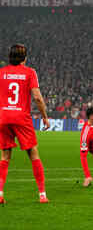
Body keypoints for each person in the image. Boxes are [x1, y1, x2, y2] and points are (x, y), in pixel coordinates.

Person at [0, 44, 50, 204]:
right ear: (25, 58)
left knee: (5, 156)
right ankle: (42, 195)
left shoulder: (1, 73)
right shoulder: (29, 72)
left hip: (3, 117)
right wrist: (44, 117)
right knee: (33, 154)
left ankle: (0, 193)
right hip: (22, 118)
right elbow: (37, 97)